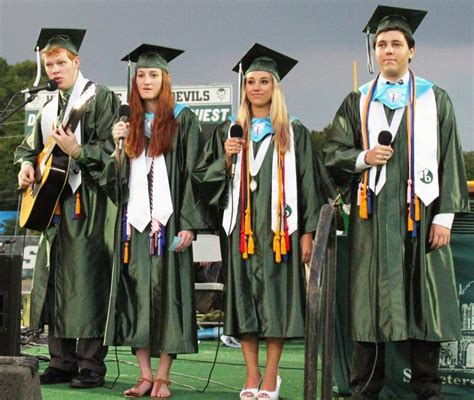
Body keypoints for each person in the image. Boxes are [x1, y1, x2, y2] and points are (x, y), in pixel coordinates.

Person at [323, 6, 469, 400]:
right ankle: (365, 388)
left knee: (426, 301)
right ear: (375, 53)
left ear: (411, 50)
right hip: (373, 218)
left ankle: (428, 388)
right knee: (370, 302)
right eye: (381, 44)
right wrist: (362, 157)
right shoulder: (358, 100)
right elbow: (332, 152)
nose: (387, 50)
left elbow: (449, 160)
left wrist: (445, 217)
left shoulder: (434, 98)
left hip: (421, 217)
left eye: (395, 44)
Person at [193, 43, 326, 400]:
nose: (255, 88)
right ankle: (250, 376)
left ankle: (271, 377)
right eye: (250, 81)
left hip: (281, 231)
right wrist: (225, 158)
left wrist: (308, 234)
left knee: (275, 303)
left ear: (275, 87)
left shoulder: (293, 132)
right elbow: (204, 180)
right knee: (244, 301)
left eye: (263, 81)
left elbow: (309, 185)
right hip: (241, 231)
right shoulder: (230, 131)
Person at [14, 28, 120, 388]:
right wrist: (25, 167)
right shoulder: (46, 107)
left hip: (89, 204)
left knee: (88, 282)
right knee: (54, 281)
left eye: (60, 63)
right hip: (53, 207)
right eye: (49, 65)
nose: (54, 70)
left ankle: (91, 364)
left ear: (77, 61)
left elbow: (113, 152)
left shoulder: (98, 98)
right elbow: (30, 149)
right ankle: (61, 361)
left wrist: (79, 152)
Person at [105, 43, 206, 398]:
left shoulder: (183, 119)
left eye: (153, 74)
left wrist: (190, 223)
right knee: (136, 297)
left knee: (170, 297)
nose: (146, 80)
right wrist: (115, 148)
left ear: (165, 79)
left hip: (169, 225)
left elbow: (197, 171)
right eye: (141, 75)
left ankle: (164, 376)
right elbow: (112, 182)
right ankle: (144, 375)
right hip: (134, 228)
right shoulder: (124, 124)